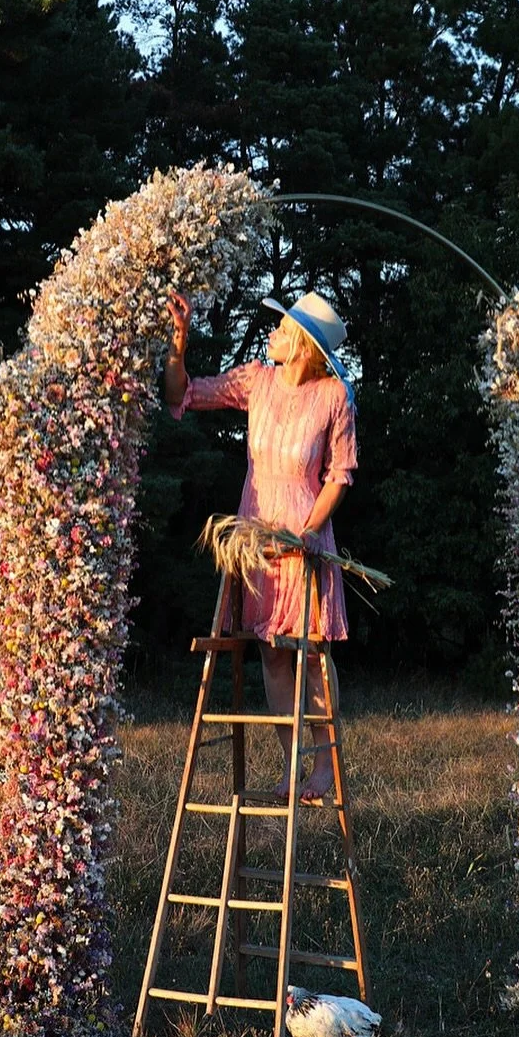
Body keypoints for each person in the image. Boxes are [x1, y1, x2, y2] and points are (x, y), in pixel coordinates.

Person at [164, 289, 356, 799]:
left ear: (299, 343)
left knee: (310, 651)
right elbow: (184, 394)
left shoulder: (333, 397)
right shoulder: (257, 381)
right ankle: (294, 759)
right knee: (272, 653)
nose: (271, 332)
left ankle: (324, 764)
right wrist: (178, 346)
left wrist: (311, 530)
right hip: (257, 541)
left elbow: (339, 475)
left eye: (281, 326)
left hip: (304, 535)